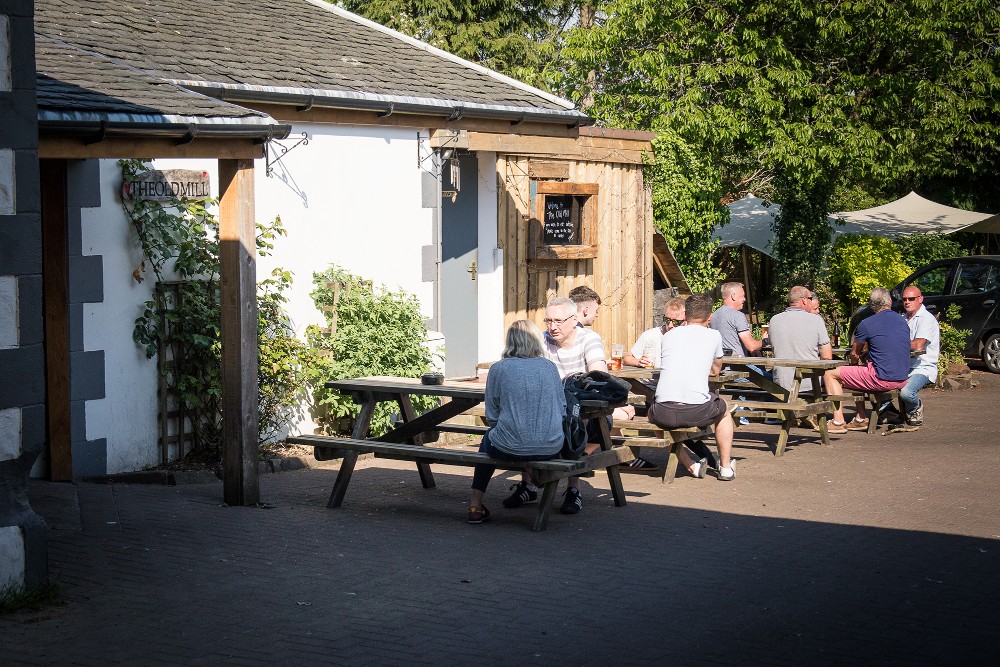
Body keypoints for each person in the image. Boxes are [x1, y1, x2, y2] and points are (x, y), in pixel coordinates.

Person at [467, 320, 565, 524]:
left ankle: (475, 504)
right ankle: (534, 478)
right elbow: (562, 409)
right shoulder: (549, 368)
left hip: (507, 447)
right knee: (518, 437)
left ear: (510, 341)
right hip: (551, 445)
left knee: (489, 441)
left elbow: (492, 416)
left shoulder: (498, 369)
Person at [648, 293, 737, 481]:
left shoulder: (668, 336)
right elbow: (715, 371)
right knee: (725, 411)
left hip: (663, 411)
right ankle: (726, 467)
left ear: (686, 314)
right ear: (710, 317)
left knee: (654, 418)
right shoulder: (714, 335)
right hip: (697, 411)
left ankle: (691, 465)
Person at [824, 287, 910, 433]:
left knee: (830, 374)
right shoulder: (902, 321)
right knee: (859, 370)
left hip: (881, 378)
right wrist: (869, 354)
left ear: (872, 305)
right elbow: (890, 345)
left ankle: (838, 421)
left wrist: (856, 358)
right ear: (889, 301)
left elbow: (854, 353)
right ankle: (860, 418)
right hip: (902, 377)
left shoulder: (867, 323)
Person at [884, 286, 939, 429]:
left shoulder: (926, 319)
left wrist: (894, 345)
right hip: (903, 365)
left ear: (920, 299)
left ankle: (915, 409)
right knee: (876, 380)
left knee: (907, 393)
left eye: (911, 299)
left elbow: (918, 344)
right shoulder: (903, 319)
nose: (907, 302)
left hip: (922, 367)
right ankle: (889, 412)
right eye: (904, 299)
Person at [768, 286, 832, 393]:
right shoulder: (816, 320)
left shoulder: (774, 320)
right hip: (809, 382)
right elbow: (827, 356)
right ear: (804, 300)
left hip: (781, 382)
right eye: (810, 299)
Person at [623, 296, 687, 369]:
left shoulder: (690, 339)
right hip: (647, 379)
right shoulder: (650, 335)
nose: (670, 325)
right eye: (667, 320)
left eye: (676, 322)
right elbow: (626, 358)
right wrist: (638, 362)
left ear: (686, 320)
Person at [711, 282, 762, 357]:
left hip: (721, 364)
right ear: (733, 296)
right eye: (743, 296)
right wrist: (766, 340)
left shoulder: (715, 315)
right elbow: (751, 346)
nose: (744, 299)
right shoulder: (737, 315)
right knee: (772, 368)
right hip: (739, 365)